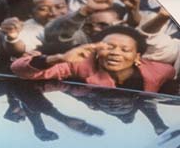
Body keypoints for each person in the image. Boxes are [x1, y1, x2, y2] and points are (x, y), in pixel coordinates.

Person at [11, 25, 175, 93]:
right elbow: (19, 70)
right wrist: (57, 58)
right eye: (108, 47)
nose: (115, 53)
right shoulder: (79, 65)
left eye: (125, 50)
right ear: (96, 50)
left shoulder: (162, 71)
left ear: (137, 56)